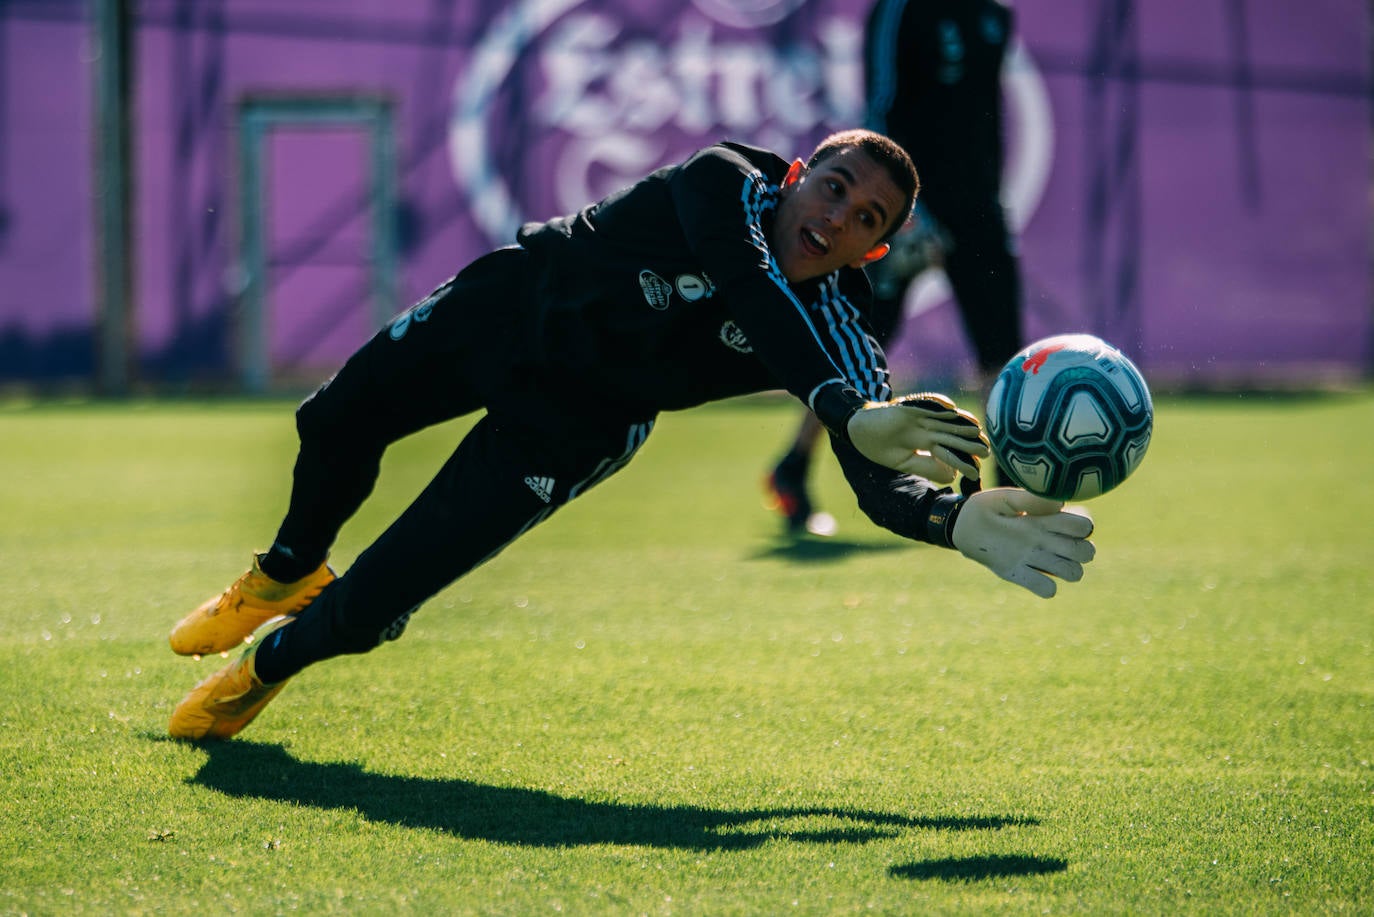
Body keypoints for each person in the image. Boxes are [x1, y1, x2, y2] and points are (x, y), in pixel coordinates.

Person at [166, 129, 1093, 742]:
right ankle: (286, 569)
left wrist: (949, 520)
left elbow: (875, 471)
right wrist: (844, 409)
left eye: (865, 222)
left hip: (575, 426)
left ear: (873, 253)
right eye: (835, 189)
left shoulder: (844, 322)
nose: (837, 218)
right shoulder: (722, 180)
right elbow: (752, 288)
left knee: (375, 604)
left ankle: (269, 664)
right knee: (331, 420)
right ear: (799, 176)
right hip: (512, 309)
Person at [765, 0, 1023, 534]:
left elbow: (988, 115)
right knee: (856, 354)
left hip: (979, 213)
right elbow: (881, 108)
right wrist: (909, 216)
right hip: (902, 217)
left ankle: (1009, 495)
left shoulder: (994, 15)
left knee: (1001, 355)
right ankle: (793, 468)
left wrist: (991, 203)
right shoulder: (902, 10)